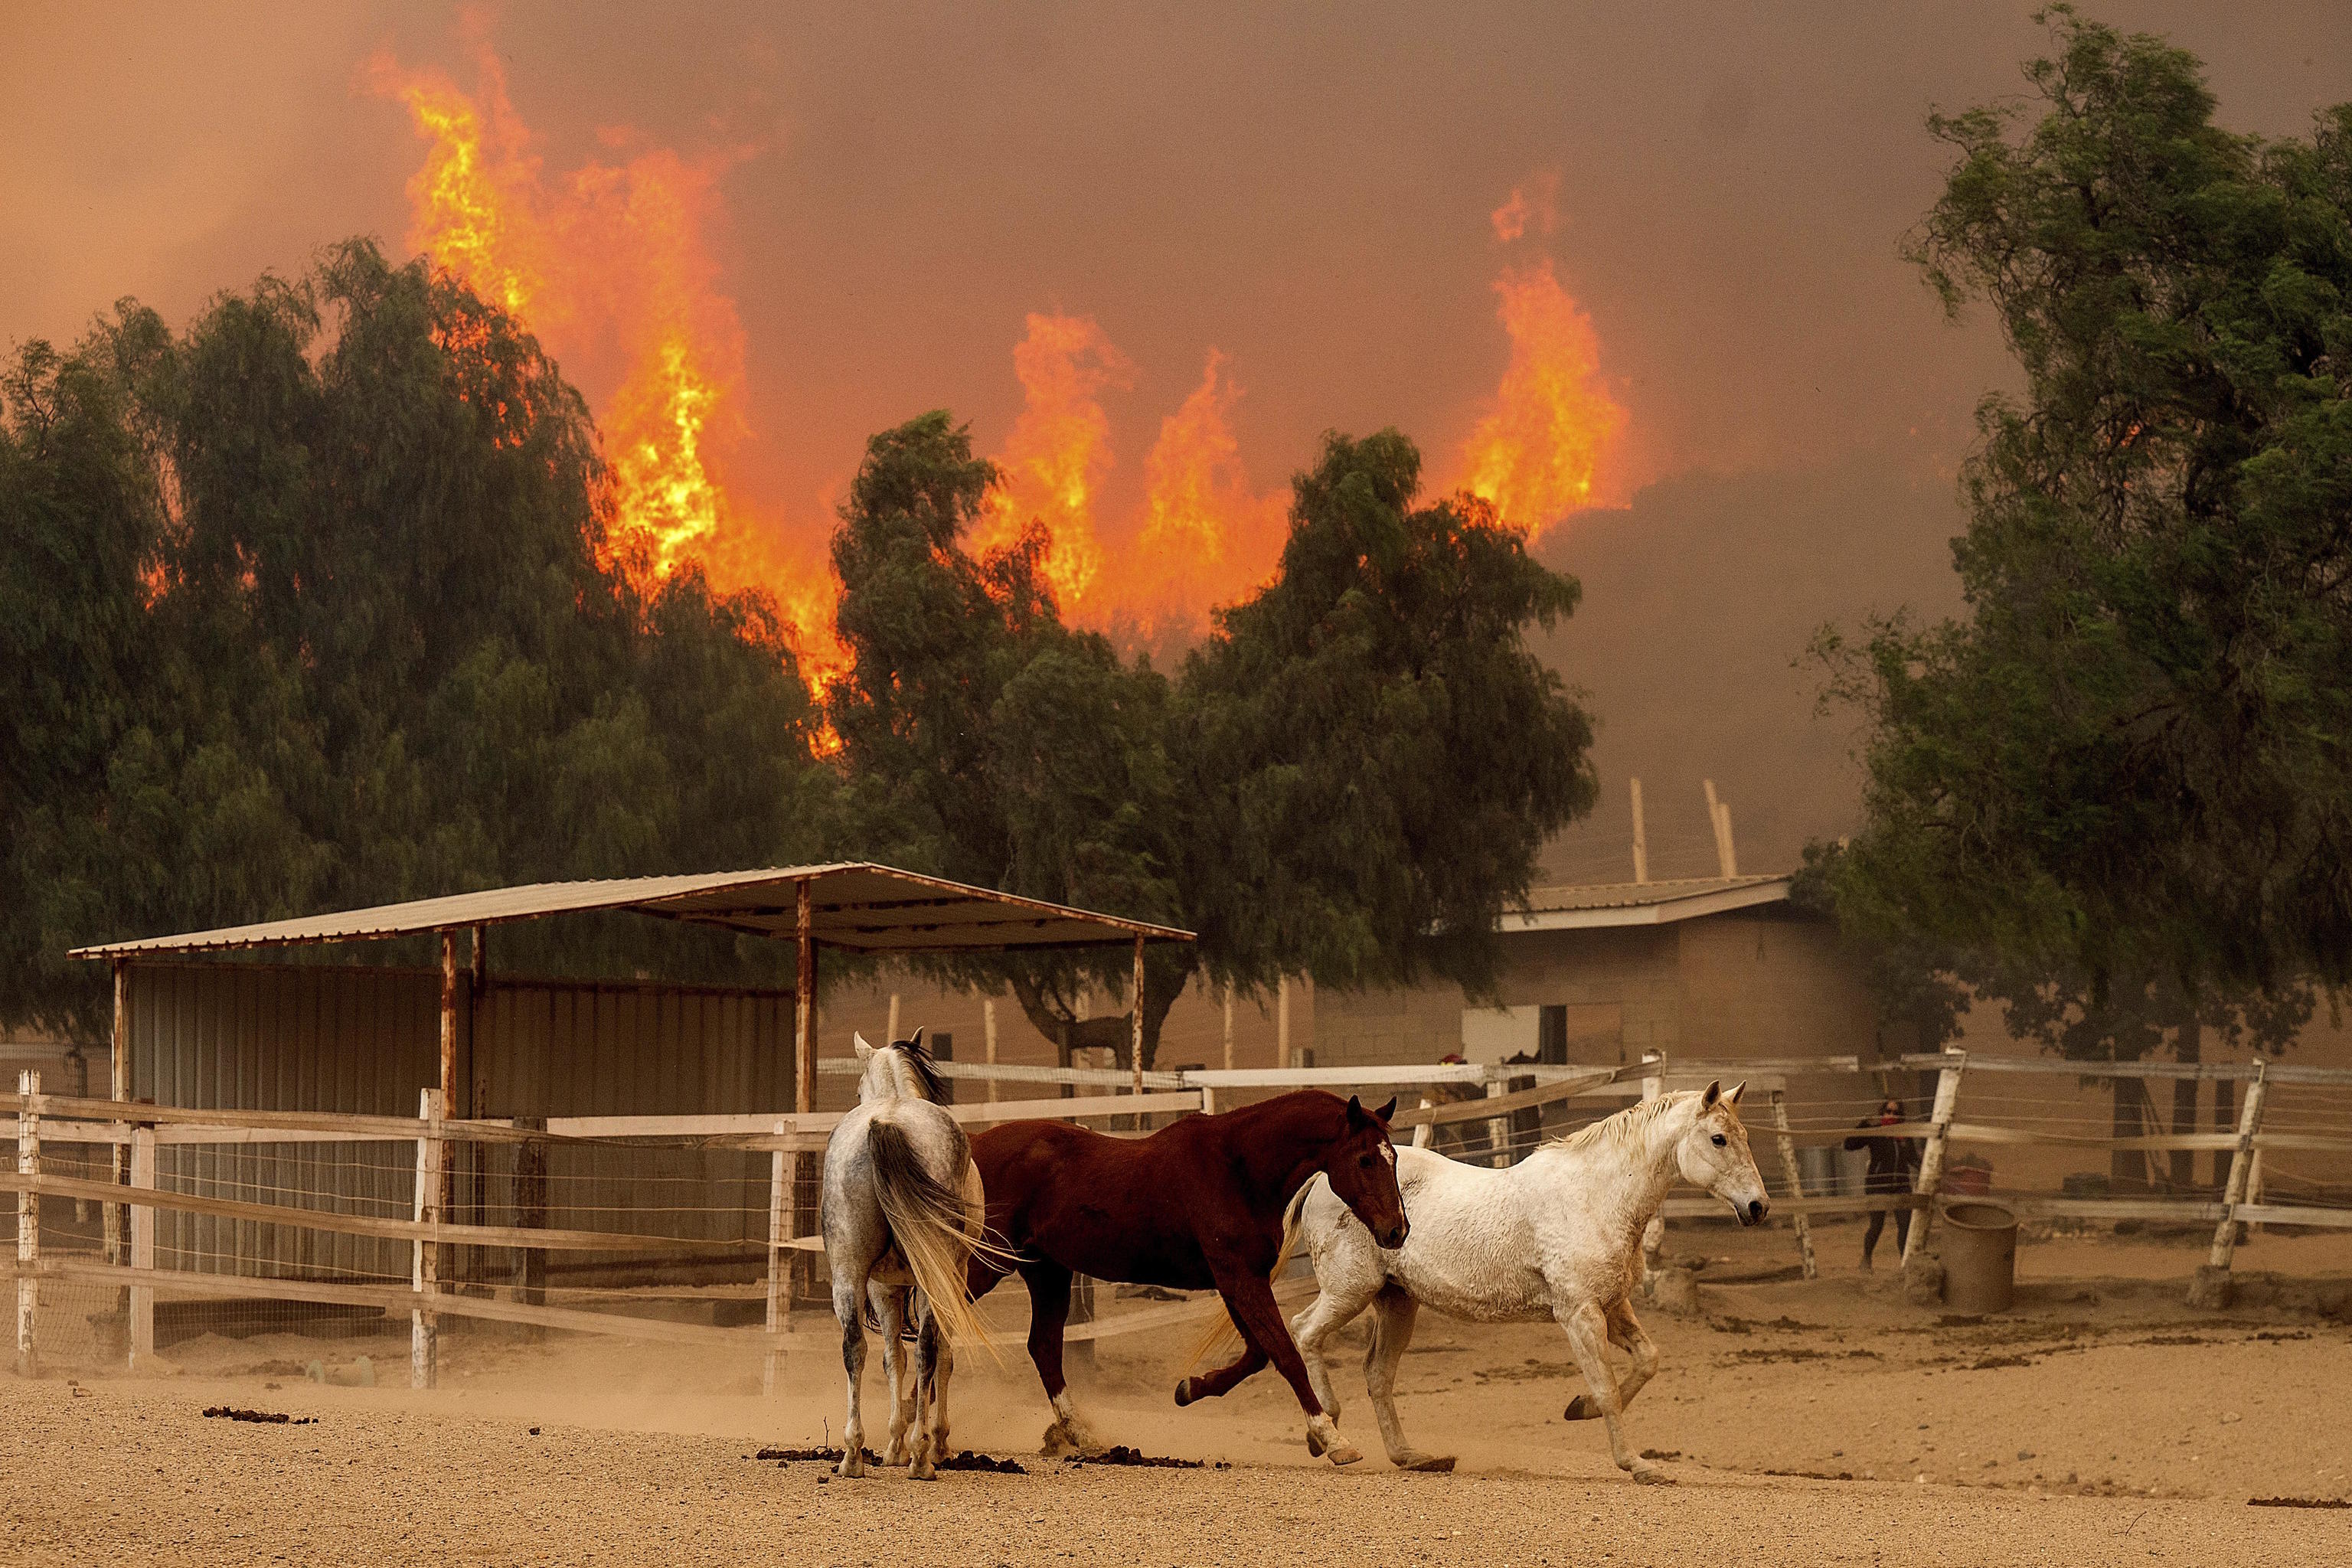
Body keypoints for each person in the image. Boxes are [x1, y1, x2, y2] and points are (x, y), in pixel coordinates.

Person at [1846, 1097, 1922, 1269]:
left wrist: (1927, 1168)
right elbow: (1849, 1145)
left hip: (1901, 1185)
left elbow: (1913, 1159)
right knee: (1876, 1225)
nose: (1892, 1115)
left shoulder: (1904, 1137)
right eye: (1888, 1111)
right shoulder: (1876, 1133)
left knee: (1905, 1226)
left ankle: (1905, 1264)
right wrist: (1864, 1126)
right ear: (1882, 1113)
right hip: (1877, 1186)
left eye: (1896, 1112)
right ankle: (1866, 1259)